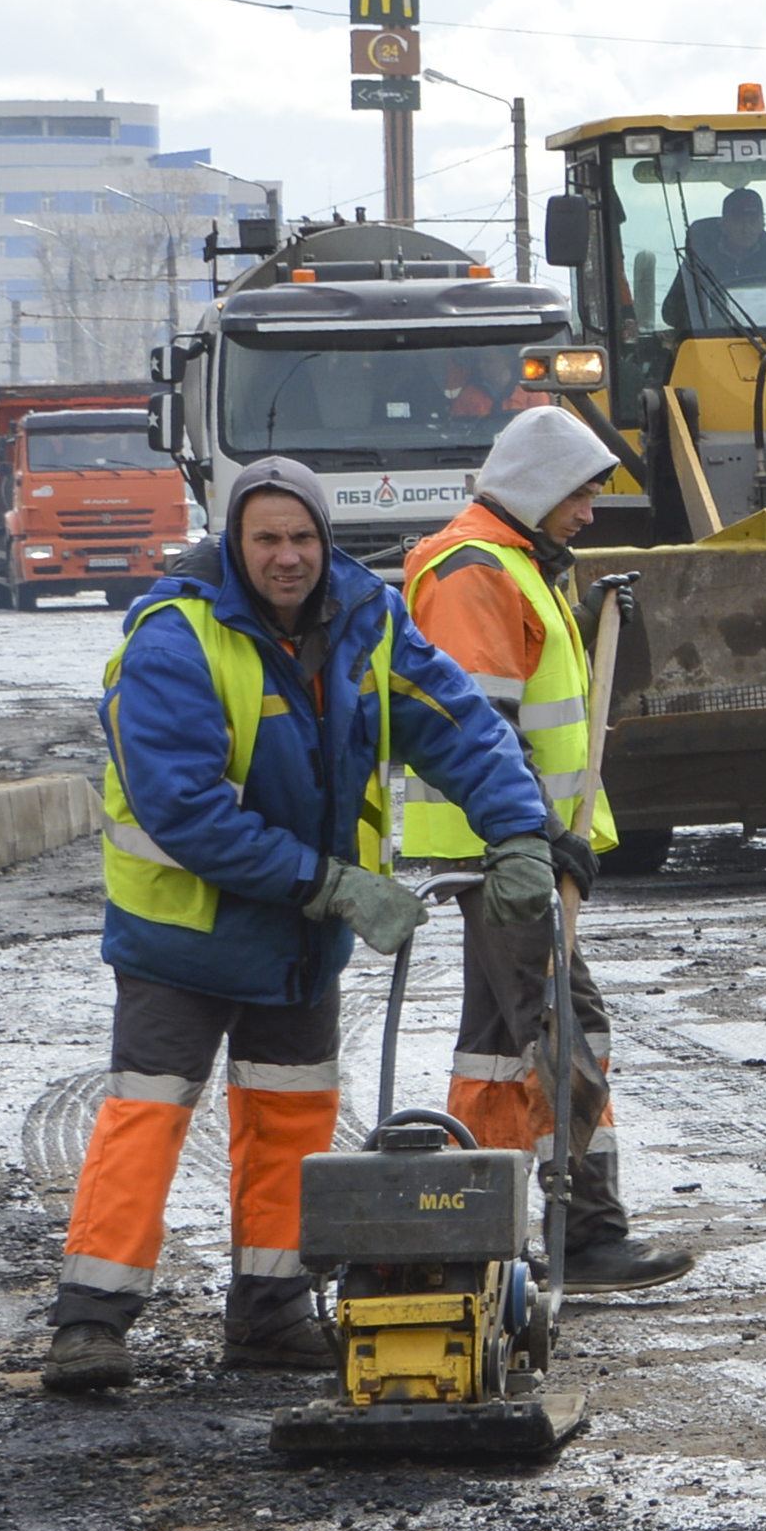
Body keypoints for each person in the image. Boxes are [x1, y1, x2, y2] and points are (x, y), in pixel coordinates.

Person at [41, 457, 562, 1397]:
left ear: (327, 542)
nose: (288, 558)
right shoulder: (174, 639)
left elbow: (458, 724)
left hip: (295, 942)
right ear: (234, 545)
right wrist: (328, 886)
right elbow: (186, 810)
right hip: (184, 938)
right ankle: (90, 1321)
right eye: (267, 539)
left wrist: (520, 832)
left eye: (304, 538)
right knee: (150, 1116)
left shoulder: (368, 620)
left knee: (291, 1118)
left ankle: (271, 1314)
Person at [398, 406, 692, 1293]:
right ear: (535, 487)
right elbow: (479, 724)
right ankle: (589, 1232)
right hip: (510, 855)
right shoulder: (475, 571)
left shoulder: (514, 564)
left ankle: (477, 1227)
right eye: (581, 494)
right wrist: (540, 834)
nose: (591, 513)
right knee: (568, 1029)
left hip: (509, 851)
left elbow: (524, 690)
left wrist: (584, 610)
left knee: (495, 1047)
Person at [664, 186, 766, 330]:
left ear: (762, 224)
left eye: (753, 221)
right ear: (723, 225)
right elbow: (671, 313)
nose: (746, 228)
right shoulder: (700, 263)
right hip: (711, 344)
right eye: (739, 221)